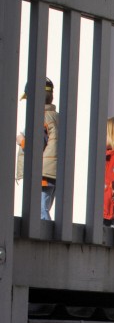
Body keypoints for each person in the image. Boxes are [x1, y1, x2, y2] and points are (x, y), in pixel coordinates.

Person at [16, 77, 60, 221]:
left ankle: (46, 242)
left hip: (43, 173)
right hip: (54, 172)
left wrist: (22, 141)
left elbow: (37, 146)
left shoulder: (39, 118)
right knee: (44, 208)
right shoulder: (56, 117)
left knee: (40, 211)